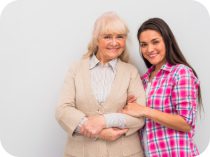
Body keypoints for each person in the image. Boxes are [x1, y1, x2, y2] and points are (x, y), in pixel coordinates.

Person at [55, 12, 146, 157]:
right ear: (97, 39)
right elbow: (63, 110)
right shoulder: (76, 69)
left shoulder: (131, 72)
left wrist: (104, 121)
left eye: (120, 37)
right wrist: (99, 132)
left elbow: (140, 116)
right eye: (107, 37)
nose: (114, 42)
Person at [122, 18, 202, 157]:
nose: (149, 49)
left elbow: (185, 123)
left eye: (155, 42)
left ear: (167, 41)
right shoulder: (144, 80)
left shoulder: (180, 73)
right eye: (144, 44)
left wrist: (144, 110)